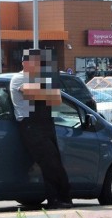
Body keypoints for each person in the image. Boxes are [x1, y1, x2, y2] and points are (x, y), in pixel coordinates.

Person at [10, 48, 73, 209]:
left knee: (55, 161)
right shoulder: (18, 79)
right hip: (31, 125)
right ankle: (55, 199)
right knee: (49, 162)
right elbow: (35, 93)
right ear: (24, 62)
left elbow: (56, 98)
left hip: (46, 123)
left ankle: (63, 198)